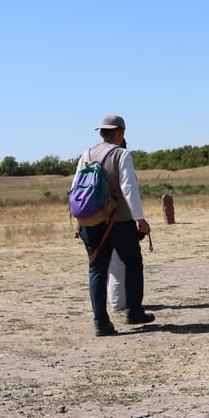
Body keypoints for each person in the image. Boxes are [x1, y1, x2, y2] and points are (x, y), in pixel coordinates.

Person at [72, 114, 153, 336]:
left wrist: (78, 220)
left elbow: (76, 188)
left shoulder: (86, 155)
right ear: (119, 132)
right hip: (118, 221)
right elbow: (128, 187)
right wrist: (140, 219)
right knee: (133, 261)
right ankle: (134, 311)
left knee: (97, 270)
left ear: (101, 132)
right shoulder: (121, 154)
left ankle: (101, 322)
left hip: (89, 221)